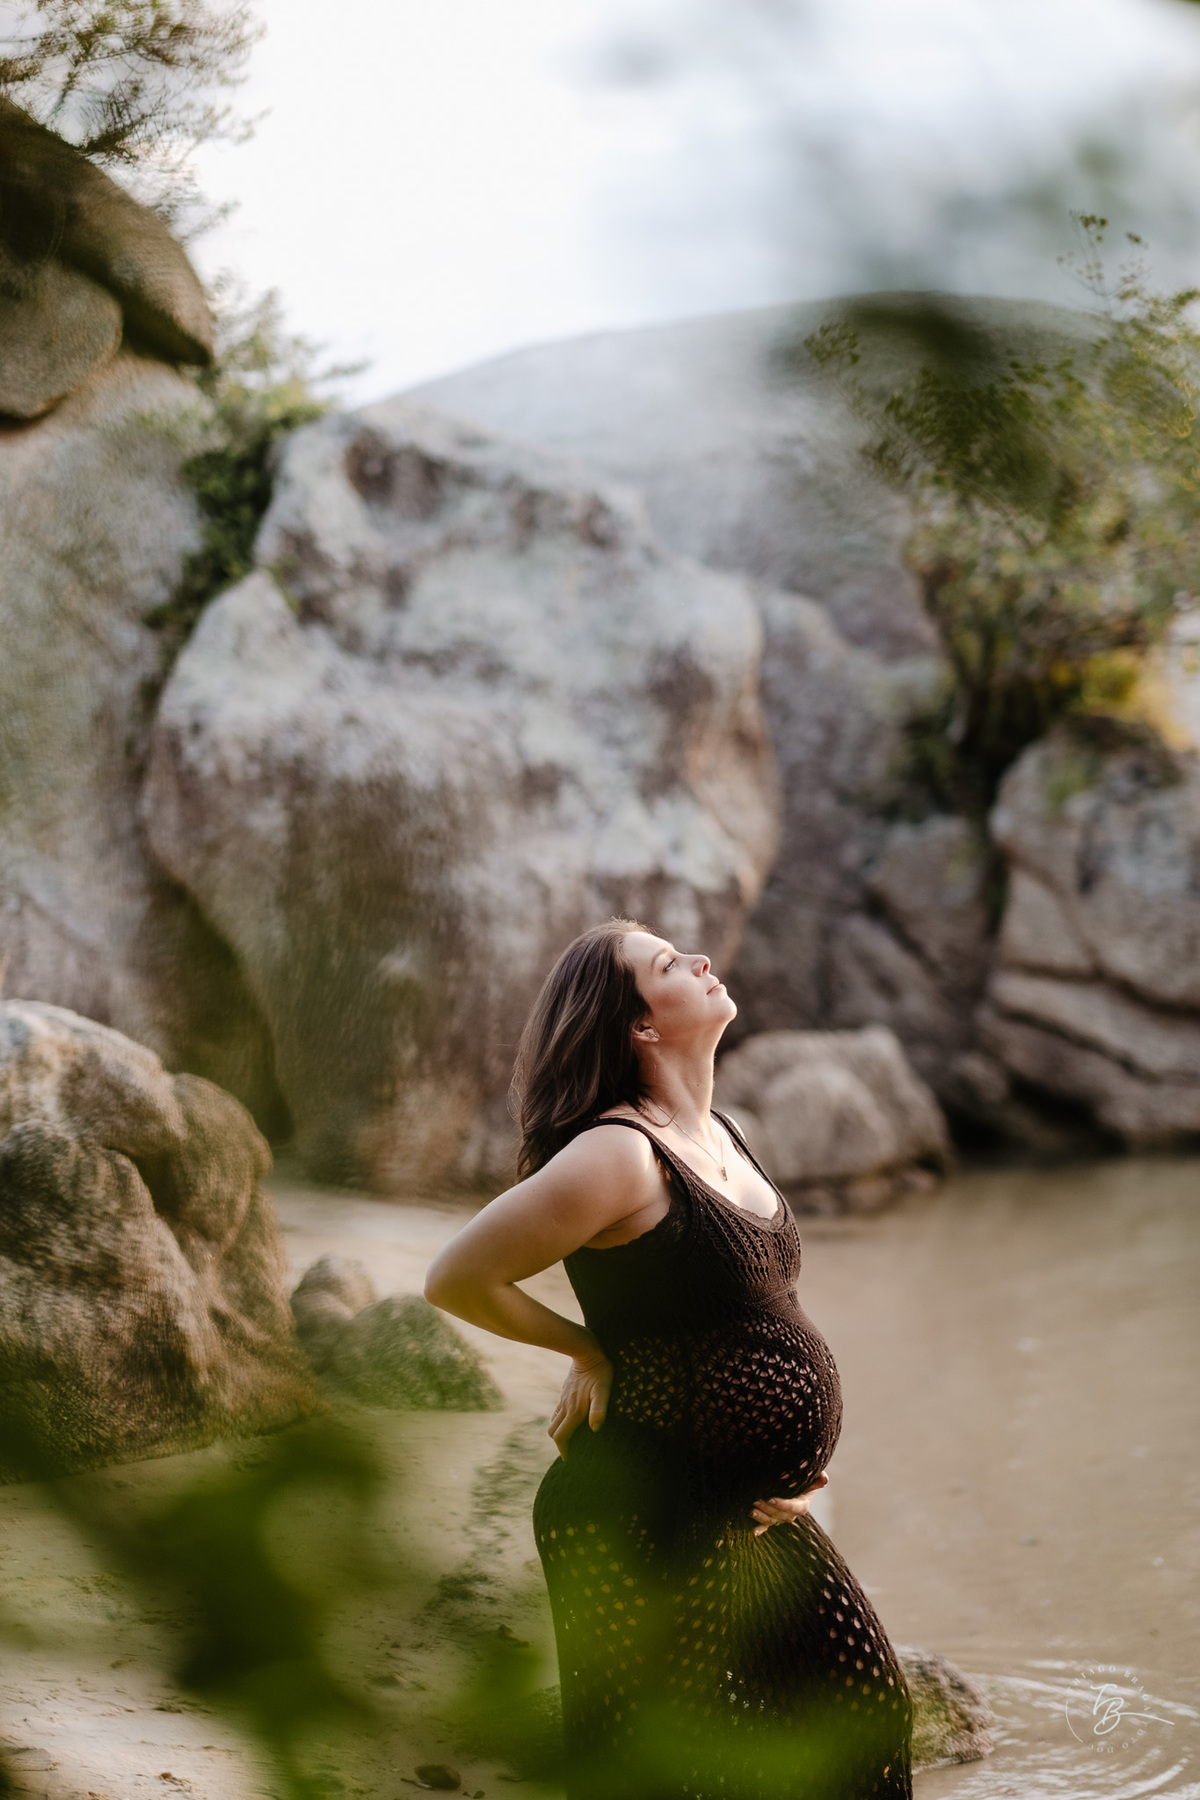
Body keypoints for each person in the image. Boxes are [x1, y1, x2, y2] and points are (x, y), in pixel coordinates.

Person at [424, 919, 913, 1800]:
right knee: (682, 1777)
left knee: (864, 1716)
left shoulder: (718, 1133)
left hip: (746, 1510)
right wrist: (589, 1350)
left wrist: (786, 1462)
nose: (698, 958)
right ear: (641, 1026)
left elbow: (730, 1315)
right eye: (665, 965)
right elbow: (458, 1278)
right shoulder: (617, 1154)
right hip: (648, 1514)